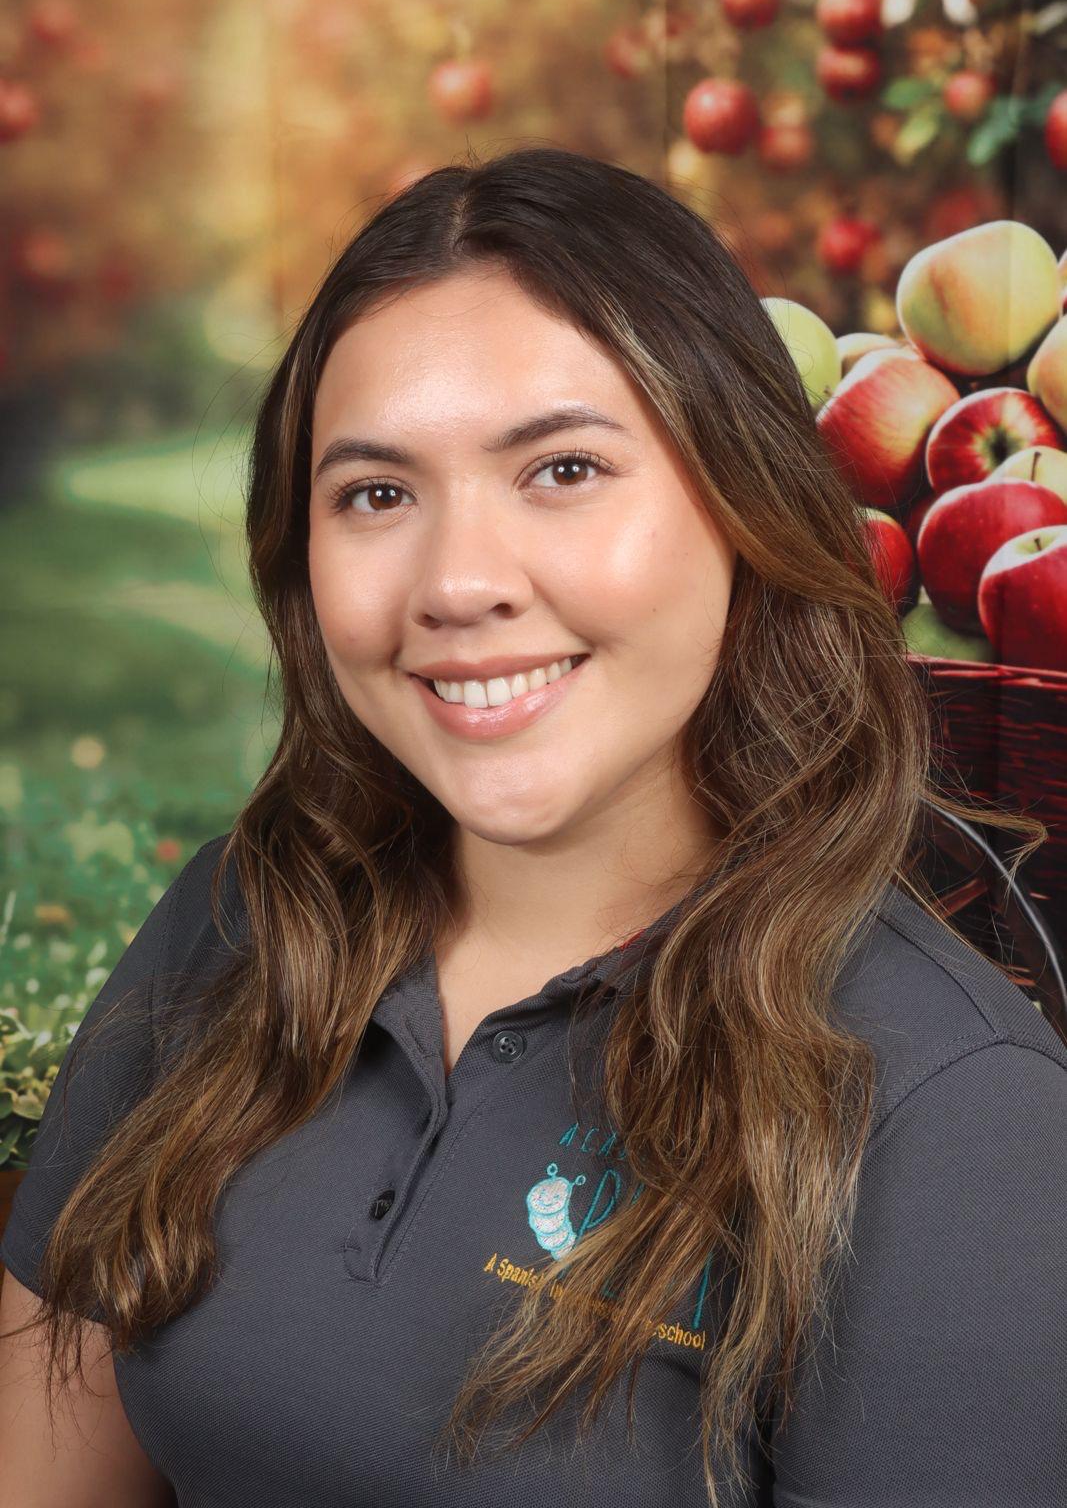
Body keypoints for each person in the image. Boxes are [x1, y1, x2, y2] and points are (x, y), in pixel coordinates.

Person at [1, 146, 1065, 1508]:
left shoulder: (958, 1120)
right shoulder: (237, 921)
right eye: (376, 494)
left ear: (743, 503)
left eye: (563, 469)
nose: (457, 583)